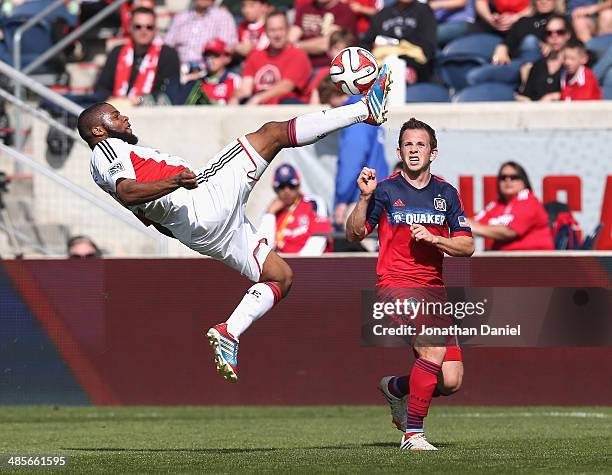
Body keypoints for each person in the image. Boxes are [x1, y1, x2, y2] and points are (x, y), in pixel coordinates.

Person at [76, 64, 391, 383]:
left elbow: (148, 218)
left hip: (198, 230)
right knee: (271, 134)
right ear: (99, 130)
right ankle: (365, 108)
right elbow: (128, 192)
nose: (125, 118)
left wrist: (188, 227)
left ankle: (231, 331)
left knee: (280, 277)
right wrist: (176, 184)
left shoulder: (116, 157)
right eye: (115, 116)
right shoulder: (106, 149)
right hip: (199, 201)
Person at [345, 118, 474, 451]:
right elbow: (354, 233)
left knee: (451, 380)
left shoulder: (446, 192)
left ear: (433, 152)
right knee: (432, 348)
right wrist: (363, 199)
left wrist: (434, 238)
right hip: (396, 284)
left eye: (421, 145)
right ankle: (413, 435)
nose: (414, 150)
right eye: (408, 144)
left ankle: (396, 388)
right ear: (399, 150)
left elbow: (467, 245)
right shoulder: (385, 190)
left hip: (434, 291)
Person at [316, 76, 388, 229]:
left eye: (330, 103)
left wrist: (343, 200)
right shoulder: (369, 108)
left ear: (336, 94)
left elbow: (353, 160)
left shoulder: (354, 115)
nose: (331, 108)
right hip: (376, 194)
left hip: (361, 200)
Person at [95, 6, 180, 105]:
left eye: (149, 27)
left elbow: (167, 92)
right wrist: (115, 102)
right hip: (116, 110)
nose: (143, 31)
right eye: (138, 27)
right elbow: (102, 88)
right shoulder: (117, 52)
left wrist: (139, 101)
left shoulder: (167, 54)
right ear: (130, 27)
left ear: (155, 29)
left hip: (150, 111)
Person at [467, 0, 559, 87]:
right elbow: (509, 41)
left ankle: (529, 91)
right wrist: (502, 47)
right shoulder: (524, 21)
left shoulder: (561, 21)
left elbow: (566, 44)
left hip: (544, 64)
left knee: (530, 42)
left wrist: (551, 46)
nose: (543, 1)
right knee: (474, 76)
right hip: (518, 64)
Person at [232, 10, 312, 105]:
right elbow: (246, 88)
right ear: (265, 32)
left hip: (288, 110)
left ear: (288, 30)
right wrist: (235, 98)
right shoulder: (255, 56)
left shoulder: (298, 55)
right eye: (272, 30)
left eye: (280, 29)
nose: (277, 35)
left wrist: (259, 98)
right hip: (259, 108)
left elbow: (286, 86)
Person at [470, 161, 554, 250]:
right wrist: (467, 226)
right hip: (504, 259)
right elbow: (474, 222)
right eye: (503, 177)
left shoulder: (530, 201)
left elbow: (509, 232)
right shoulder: (496, 204)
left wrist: (473, 228)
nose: (508, 180)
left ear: (523, 181)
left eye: (513, 177)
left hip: (534, 260)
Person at [258, 164, 331, 255]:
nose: (287, 190)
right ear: (275, 189)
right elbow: (263, 248)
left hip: (309, 264)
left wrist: (298, 263)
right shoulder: (271, 210)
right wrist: (270, 214)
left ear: (298, 185)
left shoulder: (314, 203)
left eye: (291, 185)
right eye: (281, 186)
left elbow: (319, 240)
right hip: (280, 264)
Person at [361, 0, 437, 84]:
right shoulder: (382, 14)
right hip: (381, 65)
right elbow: (366, 44)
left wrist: (394, 46)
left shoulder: (424, 10)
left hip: (413, 66)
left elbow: (428, 47)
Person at [515, 14, 572, 101]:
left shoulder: (574, 64)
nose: (554, 37)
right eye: (549, 33)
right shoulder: (538, 66)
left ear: (567, 35)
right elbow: (526, 96)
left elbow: (580, 91)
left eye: (560, 32)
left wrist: (555, 96)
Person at [164, 0, 237, 67]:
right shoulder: (180, 17)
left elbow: (228, 50)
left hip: (209, 72)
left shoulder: (223, 17)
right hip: (180, 69)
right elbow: (167, 46)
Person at [289, 0, 358, 69]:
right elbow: (291, 37)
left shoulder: (344, 11)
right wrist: (290, 45)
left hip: (329, 66)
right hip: (302, 64)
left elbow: (328, 43)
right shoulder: (305, 8)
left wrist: (295, 46)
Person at [172, 38, 241, 105]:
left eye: (215, 55)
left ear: (227, 58)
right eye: (207, 56)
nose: (210, 60)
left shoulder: (235, 80)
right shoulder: (197, 81)